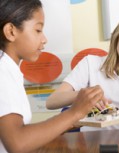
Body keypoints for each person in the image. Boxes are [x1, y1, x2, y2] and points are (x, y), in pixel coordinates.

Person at [0, 0, 105, 153]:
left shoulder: (9, 68)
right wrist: (74, 112)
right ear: (11, 31)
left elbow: (25, 135)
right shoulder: (3, 71)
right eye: (38, 30)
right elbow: (18, 143)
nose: (44, 39)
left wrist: (72, 120)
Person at [46, 11, 119, 131]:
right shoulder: (90, 63)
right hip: (88, 142)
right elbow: (51, 101)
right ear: (117, 36)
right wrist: (86, 95)